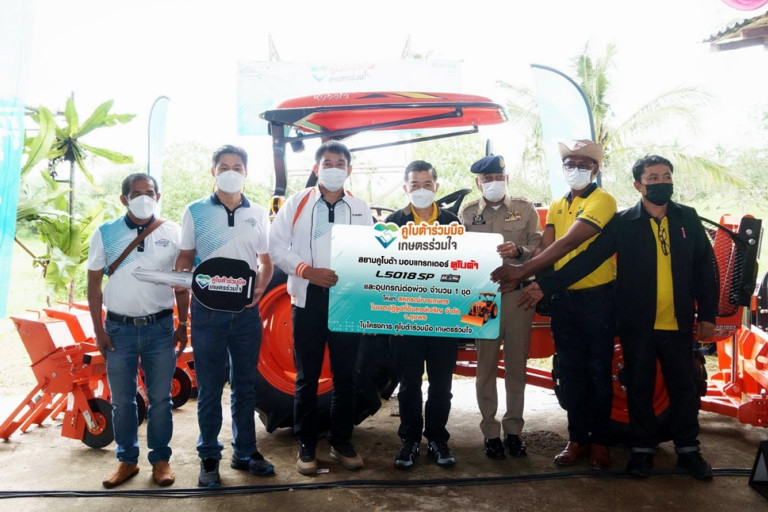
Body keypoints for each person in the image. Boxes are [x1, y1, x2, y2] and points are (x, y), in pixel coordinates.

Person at [518, 155, 717, 480]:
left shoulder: (688, 218)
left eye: (666, 176)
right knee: (639, 387)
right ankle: (642, 452)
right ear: (638, 185)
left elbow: (705, 268)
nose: (661, 182)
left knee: (682, 387)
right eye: (652, 178)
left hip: (679, 322)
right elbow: (589, 259)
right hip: (637, 323)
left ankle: (688, 451)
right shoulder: (624, 222)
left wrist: (707, 315)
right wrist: (545, 284)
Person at [490, 139, 617, 470]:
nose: (575, 169)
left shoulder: (602, 200)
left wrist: (523, 272)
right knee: (570, 372)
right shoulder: (559, 204)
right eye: (569, 164)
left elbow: (568, 243)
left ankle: (600, 442)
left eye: (583, 164)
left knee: (598, 372)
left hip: (597, 300)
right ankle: (577, 439)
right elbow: (545, 248)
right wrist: (523, 273)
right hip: (563, 300)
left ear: (595, 169)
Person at [269, 140, 372, 475]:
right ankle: (306, 446)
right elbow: (276, 245)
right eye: (328, 163)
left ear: (349, 169)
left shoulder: (360, 207)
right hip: (307, 299)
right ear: (316, 168)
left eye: (340, 163)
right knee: (307, 378)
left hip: (347, 301)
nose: (334, 169)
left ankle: (342, 442)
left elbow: (372, 252)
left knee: (346, 377)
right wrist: (306, 271)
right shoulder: (298, 202)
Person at [175, 144, 274, 487]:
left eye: (237, 167)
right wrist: (184, 279)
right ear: (213, 171)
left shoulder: (258, 212)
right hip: (207, 313)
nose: (231, 172)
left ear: (246, 172)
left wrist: (259, 290)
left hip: (245, 314)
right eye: (224, 167)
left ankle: (245, 452)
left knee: (245, 386)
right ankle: (209, 456)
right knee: (210, 388)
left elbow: (265, 261)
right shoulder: (195, 211)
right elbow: (185, 257)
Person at [87, 172, 189, 488]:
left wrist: (183, 324)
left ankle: (160, 461)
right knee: (122, 401)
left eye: (149, 192)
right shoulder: (105, 233)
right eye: (136, 193)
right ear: (124, 199)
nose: (144, 197)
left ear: (158, 196)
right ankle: (127, 461)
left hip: (161, 328)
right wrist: (99, 331)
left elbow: (182, 282)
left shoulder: (173, 232)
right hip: (118, 330)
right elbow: (93, 284)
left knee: (161, 399)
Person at [459, 155, 542, 460]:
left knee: (516, 366)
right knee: (485, 367)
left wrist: (519, 251)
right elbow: (460, 255)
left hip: (519, 297)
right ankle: (490, 433)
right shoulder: (467, 212)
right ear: (478, 182)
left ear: (506, 178)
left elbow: (539, 248)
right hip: (482, 299)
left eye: (498, 177)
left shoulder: (525, 208)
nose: (493, 183)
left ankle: (514, 431)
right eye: (487, 178)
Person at [386, 160, 461, 470]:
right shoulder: (392, 223)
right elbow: (382, 270)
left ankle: (438, 439)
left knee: (442, 385)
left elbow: (464, 268)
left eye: (427, 184)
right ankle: (410, 440)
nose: (421, 190)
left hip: (444, 318)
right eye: (414, 185)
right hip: (405, 318)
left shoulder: (453, 222)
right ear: (405, 188)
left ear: (436, 187)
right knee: (409, 385)